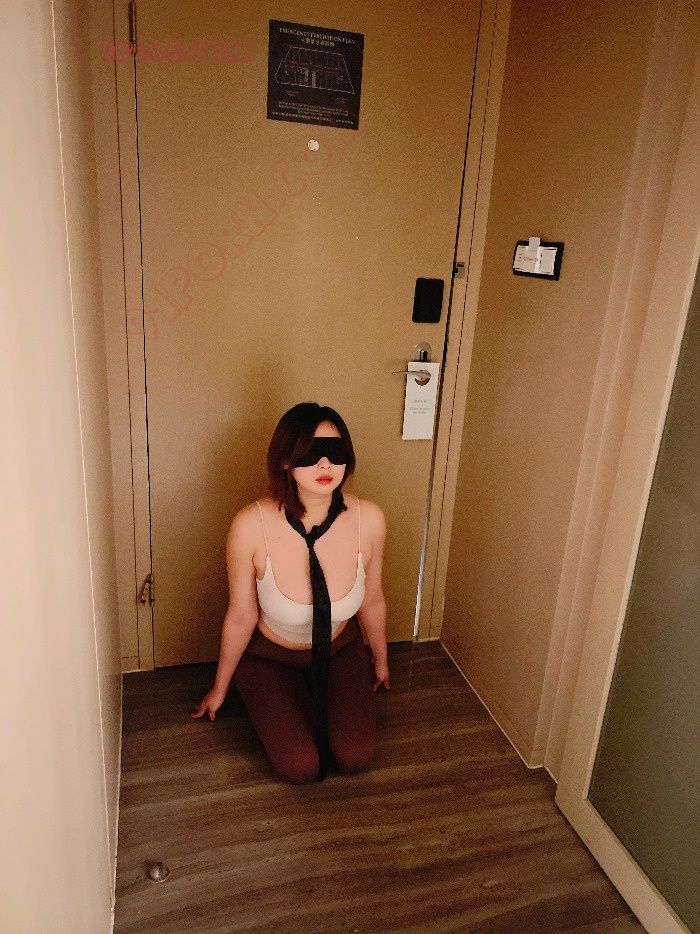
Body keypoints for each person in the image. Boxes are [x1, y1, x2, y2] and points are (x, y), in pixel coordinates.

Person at [192, 402, 390, 783]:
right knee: (300, 765)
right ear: (285, 460)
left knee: (355, 756)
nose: (325, 464)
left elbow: (373, 598)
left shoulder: (369, 520)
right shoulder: (250, 526)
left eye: (334, 452)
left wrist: (380, 660)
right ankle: (279, 696)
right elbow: (241, 615)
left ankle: (316, 697)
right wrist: (219, 688)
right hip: (270, 656)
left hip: (339, 647)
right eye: (311, 453)